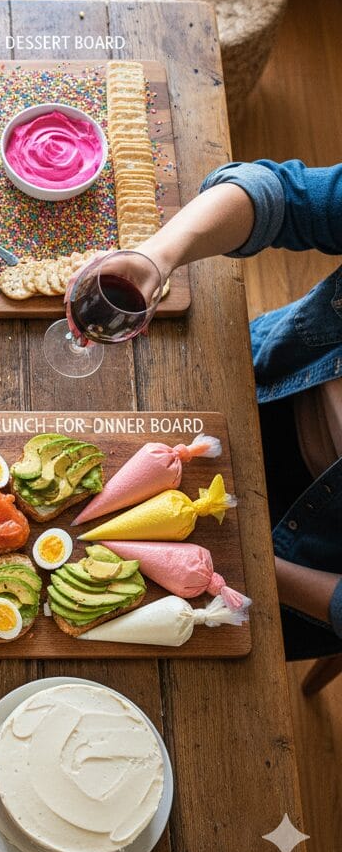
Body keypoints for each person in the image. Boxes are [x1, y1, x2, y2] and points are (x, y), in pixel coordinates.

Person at [125, 157, 342, 660]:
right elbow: (278, 194)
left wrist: (243, 560)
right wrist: (158, 258)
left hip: (299, 564)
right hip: (258, 379)